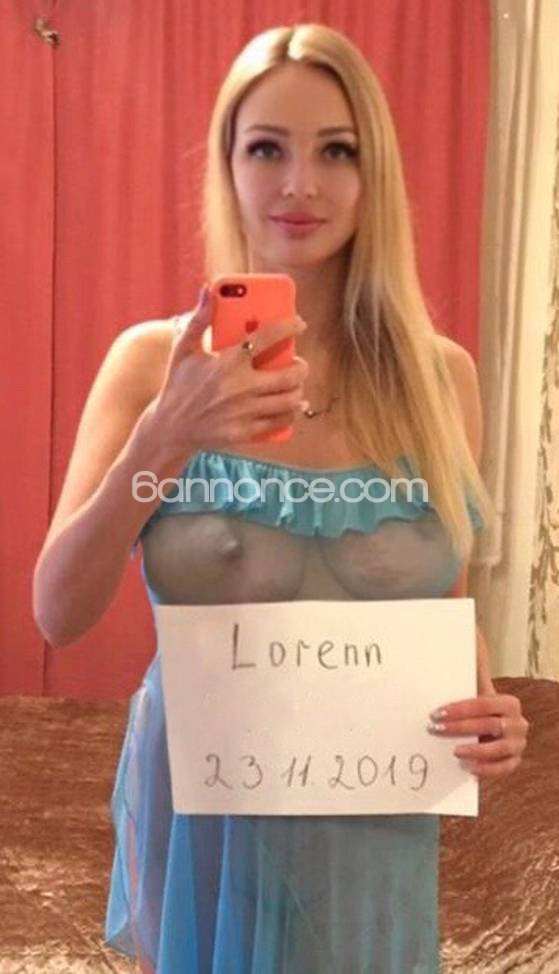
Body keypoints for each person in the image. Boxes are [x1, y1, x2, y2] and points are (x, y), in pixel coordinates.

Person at [33, 22, 530, 974]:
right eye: (266, 148)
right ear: (227, 166)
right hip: (206, 823)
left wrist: (487, 708)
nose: (300, 184)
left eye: (336, 151)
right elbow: (59, 610)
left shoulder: (439, 380)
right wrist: (165, 437)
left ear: (374, 172)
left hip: (370, 824)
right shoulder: (151, 365)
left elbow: (443, 612)